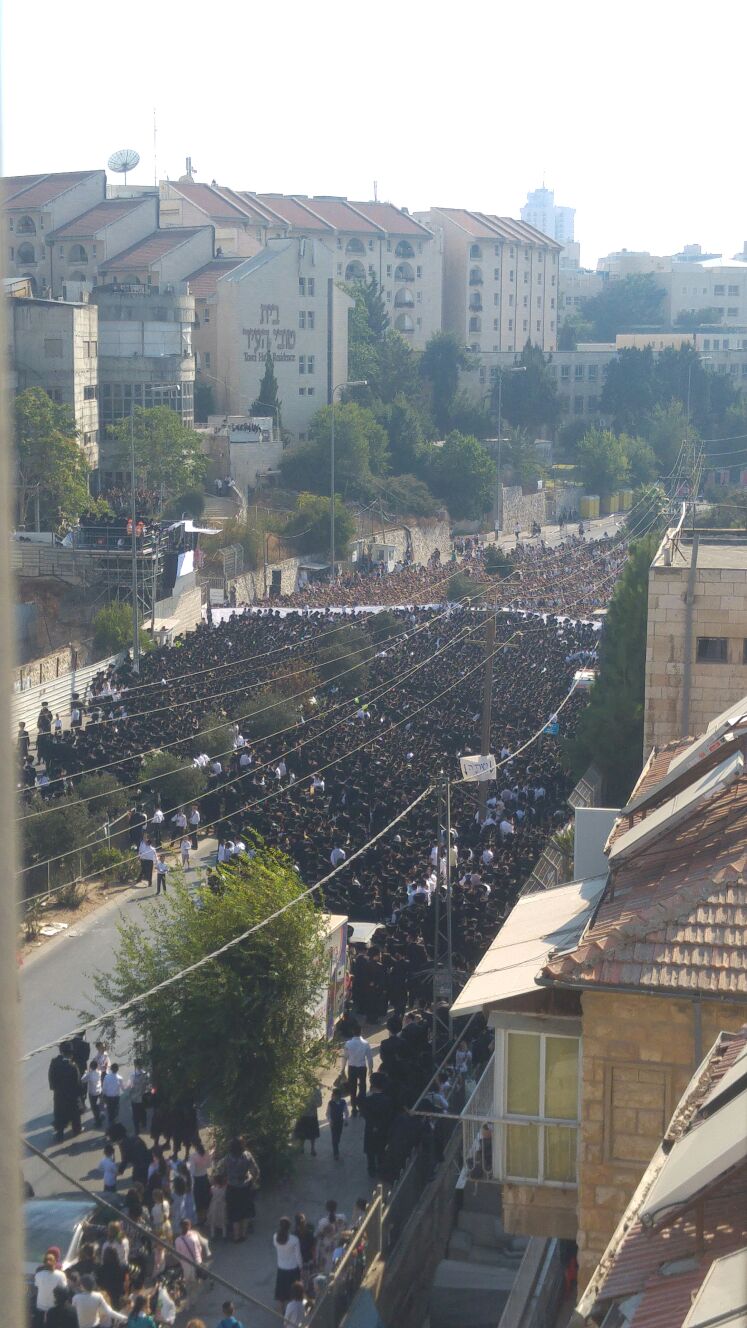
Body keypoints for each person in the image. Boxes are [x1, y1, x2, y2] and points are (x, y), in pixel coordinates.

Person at [221, 1137, 260, 1242]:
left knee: (234, 1212)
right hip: (245, 1187)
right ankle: (243, 1234)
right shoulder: (247, 1155)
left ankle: (236, 1236)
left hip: (232, 1187)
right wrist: (253, 1180)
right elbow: (255, 1170)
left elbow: (223, 1172)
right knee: (246, 1211)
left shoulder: (227, 1158)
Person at [48, 1043, 81, 1143]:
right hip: (71, 1095)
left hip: (59, 1095)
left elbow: (51, 1077)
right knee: (74, 1113)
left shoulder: (54, 1062)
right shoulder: (73, 1066)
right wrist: (78, 1095)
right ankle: (76, 1129)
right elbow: (77, 1083)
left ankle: (60, 1134)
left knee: (59, 1113)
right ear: (70, 1054)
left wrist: (54, 1088)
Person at [273, 1216, 302, 1312]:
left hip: (281, 1267)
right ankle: (292, 1310)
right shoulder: (294, 1240)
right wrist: (300, 1266)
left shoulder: (275, 1237)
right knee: (293, 1291)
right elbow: (298, 1255)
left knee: (281, 1290)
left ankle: (281, 1309)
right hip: (292, 1268)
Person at [343, 1024, 373, 1116]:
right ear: (361, 1032)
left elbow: (345, 1057)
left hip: (352, 1067)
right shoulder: (365, 1043)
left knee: (352, 1088)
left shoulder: (348, 1043)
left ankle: (354, 1108)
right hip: (362, 1067)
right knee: (362, 1087)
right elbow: (369, 1058)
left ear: (353, 1032)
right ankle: (362, 1106)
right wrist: (371, 1068)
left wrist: (342, 1068)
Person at [34, 1252, 67, 1325]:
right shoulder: (61, 1275)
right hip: (54, 1308)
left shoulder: (38, 1275)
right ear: (55, 1262)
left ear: (43, 1263)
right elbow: (64, 1290)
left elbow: (37, 1287)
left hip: (40, 1307)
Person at [293, 1086, 322, 1156]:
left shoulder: (316, 1091)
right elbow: (296, 1101)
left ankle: (312, 1149)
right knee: (301, 1133)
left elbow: (319, 1104)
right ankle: (302, 1147)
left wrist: (312, 1101)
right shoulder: (300, 1088)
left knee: (312, 1134)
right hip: (302, 1114)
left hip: (312, 1115)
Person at [174, 1217, 203, 1285]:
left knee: (194, 1281)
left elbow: (199, 1247)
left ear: (190, 1225)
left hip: (194, 1262)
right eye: (185, 1225)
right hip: (190, 1264)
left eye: (187, 1224)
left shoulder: (194, 1235)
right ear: (181, 1226)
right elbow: (199, 1248)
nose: (186, 1226)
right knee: (191, 1281)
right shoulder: (178, 1240)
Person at [326, 1087, 349, 1160]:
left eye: (336, 1095)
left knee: (338, 1136)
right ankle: (336, 1153)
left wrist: (346, 1120)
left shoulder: (343, 1102)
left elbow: (346, 1111)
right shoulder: (330, 1103)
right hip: (333, 1122)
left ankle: (336, 1144)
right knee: (334, 1137)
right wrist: (330, 1121)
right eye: (334, 1095)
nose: (334, 1097)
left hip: (340, 1121)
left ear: (339, 1096)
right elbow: (327, 1113)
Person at [129, 1060, 150, 1135]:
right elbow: (148, 1085)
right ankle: (144, 1124)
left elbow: (131, 1086)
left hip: (135, 1098)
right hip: (143, 1097)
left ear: (136, 1065)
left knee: (135, 1114)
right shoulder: (146, 1074)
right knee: (143, 1112)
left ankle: (137, 1130)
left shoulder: (133, 1075)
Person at [102, 1062, 124, 1127]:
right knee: (115, 1113)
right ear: (117, 1069)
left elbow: (104, 1088)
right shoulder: (120, 1078)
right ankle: (115, 1128)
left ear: (111, 1069)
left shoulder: (106, 1076)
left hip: (108, 1097)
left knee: (110, 1113)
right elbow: (123, 1088)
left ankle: (110, 1128)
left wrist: (104, 1096)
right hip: (116, 1098)